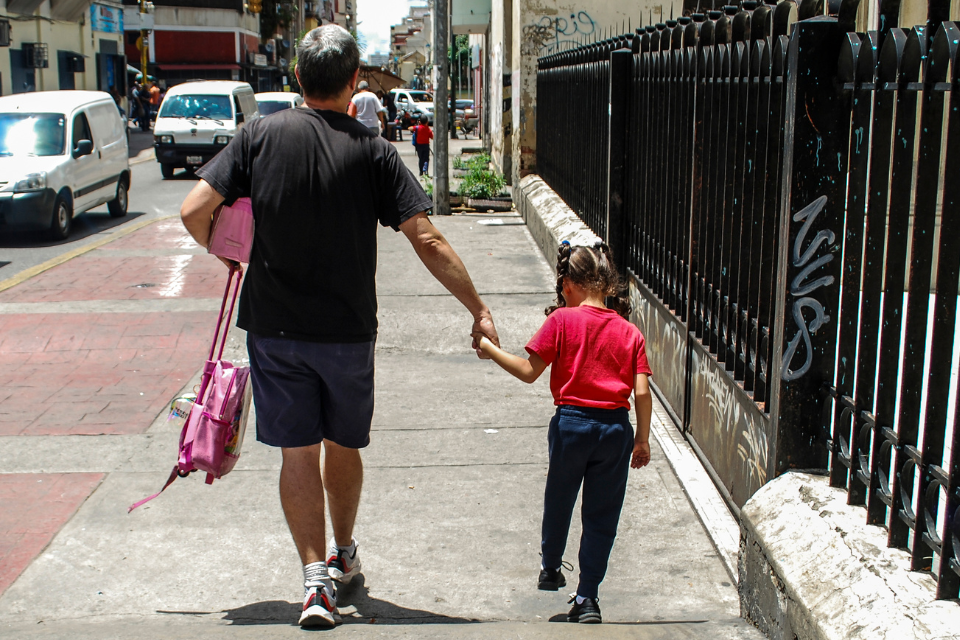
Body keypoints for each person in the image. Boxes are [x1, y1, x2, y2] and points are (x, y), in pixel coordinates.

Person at [179, 24, 499, 629]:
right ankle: (343, 554)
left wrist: (224, 250)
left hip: (274, 329)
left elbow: (194, 209)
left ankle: (314, 583)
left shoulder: (257, 137)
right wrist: (477, 307)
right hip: (348, 332)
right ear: (354, 84)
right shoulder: (374, 150)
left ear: (299, 79)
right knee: (343, 443)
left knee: (296, 453)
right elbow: (426, 238)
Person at [473, 241, 653, 625]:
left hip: (571, 424)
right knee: (602, 516)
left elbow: (527, 371)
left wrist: (488, 347)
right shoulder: (629, 333)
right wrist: (642, 439)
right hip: (615, 429)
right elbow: (641, 391)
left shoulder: (562, 321)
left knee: (559, 498)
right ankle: (587, 598)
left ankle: (551, 568)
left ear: (569, 284)